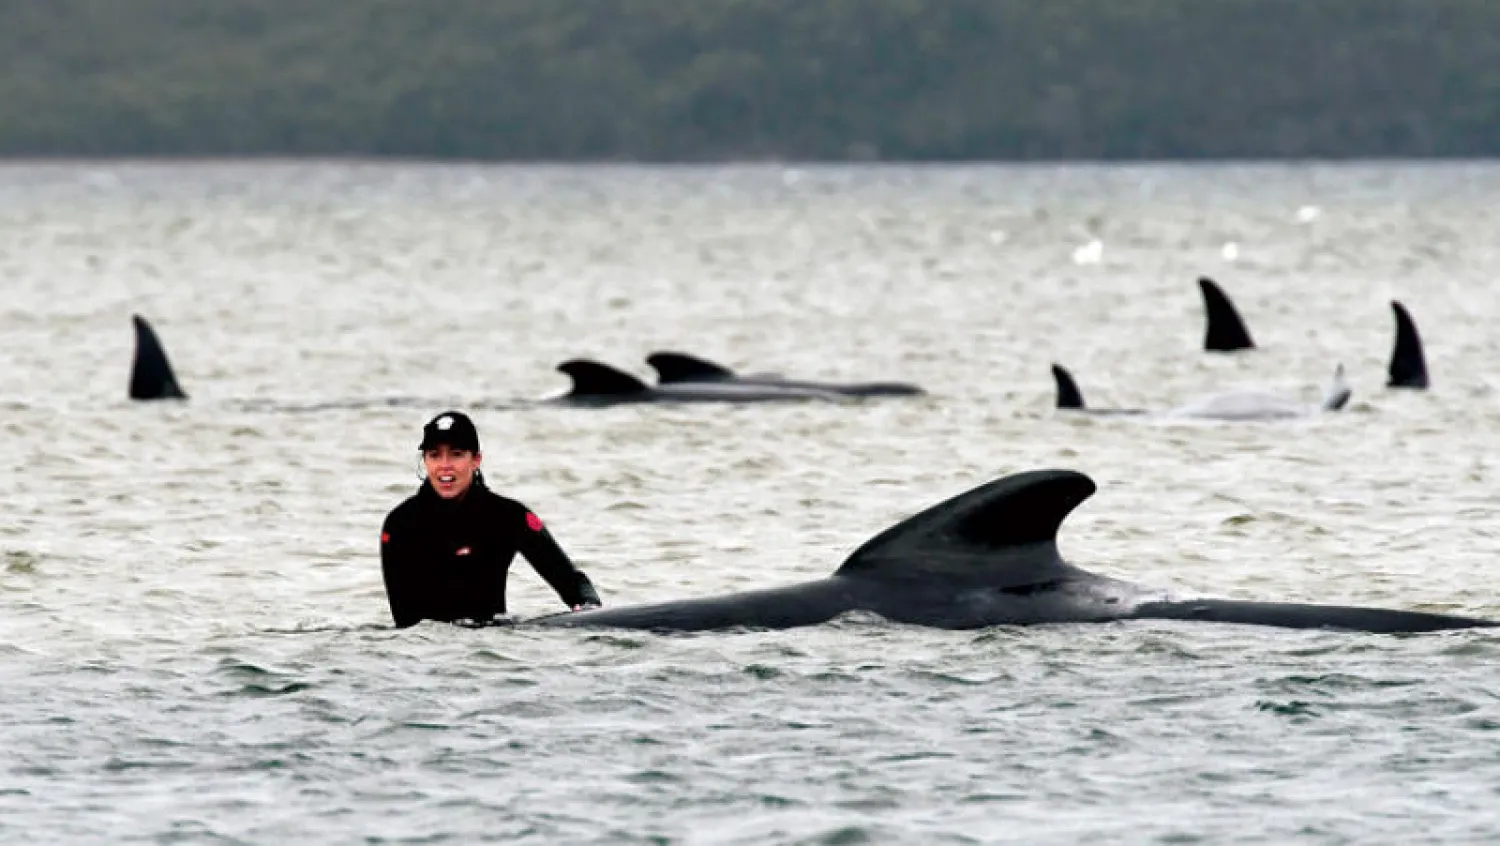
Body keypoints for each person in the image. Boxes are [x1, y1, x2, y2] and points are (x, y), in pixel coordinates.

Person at [380, 410, 602, 628]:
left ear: (476, 460)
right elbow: (406, 622)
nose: (444, 464)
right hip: (426, 654)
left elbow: (571, 582)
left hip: (492, 651)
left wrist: (589, 607)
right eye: (435, 454)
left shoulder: (507, 516)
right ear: (425, 461)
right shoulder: (400, 524)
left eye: (456, 454)